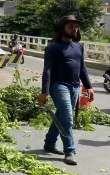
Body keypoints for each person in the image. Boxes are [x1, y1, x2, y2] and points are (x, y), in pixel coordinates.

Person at [37, 15, 94, 166]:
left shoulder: (78, 46)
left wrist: (88, 86)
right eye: (71, 26)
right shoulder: (53, 47)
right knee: (68, 117)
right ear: (63, 27)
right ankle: (70, 151)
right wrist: (45, 91)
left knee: (61, 115)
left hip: (75, 86)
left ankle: (49, 143)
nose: (74, 29)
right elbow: (47, 69)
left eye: (76, 26)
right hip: (58, 85)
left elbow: (82, 68)